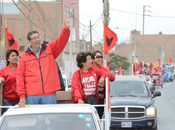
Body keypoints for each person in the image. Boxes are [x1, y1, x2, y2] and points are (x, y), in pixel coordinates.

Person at [16, 14, 70, 107]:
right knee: (33, 121)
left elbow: (61, 41)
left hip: (49, 94)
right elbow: (20, 77)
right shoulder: (24, 57)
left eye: (38, 37)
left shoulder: (50, 49)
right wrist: (22, 96)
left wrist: (66, 30)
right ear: (29, 42)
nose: (37, 39)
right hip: (31, 96)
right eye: (34, 38)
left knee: (49, 120)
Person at [91, 50, 115, 118]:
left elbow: (113, 77)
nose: (100, 59)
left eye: (101, 57)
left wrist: (103, 76)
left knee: (100, 120)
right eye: (98, 57)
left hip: (101, 102)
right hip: (91, 101)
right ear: (93, 59)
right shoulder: (90, 69)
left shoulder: (103, 69)